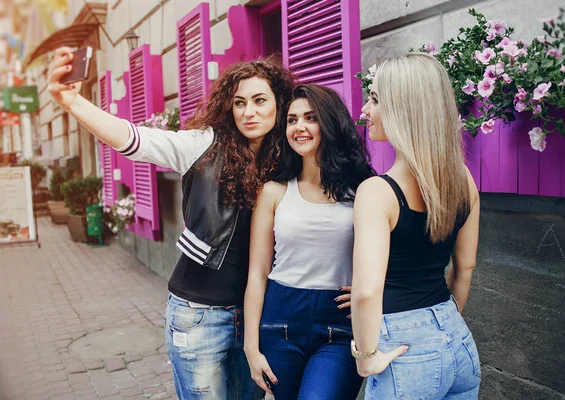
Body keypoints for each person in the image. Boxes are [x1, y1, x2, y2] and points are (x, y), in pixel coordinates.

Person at [47, 47, 295, 400]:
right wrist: (73, 102)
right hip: (199, 314)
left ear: (279, 104)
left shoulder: (289, 161)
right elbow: (134, 140)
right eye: (240, 103)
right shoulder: (203, 144)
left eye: (259, 100)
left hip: (258, 317)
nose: (249, 112)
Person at [350, 53, 481, 399]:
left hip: (403, 352)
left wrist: (365, 358)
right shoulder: (464, 180)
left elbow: (365, 292)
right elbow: (464, 267)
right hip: (457, 338)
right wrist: (440, 328)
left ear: (405, 108)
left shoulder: (377, 192)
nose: (364, 109)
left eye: (375, 99)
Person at [243, 84, 375, 399]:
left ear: (329, 124)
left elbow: (388, 258)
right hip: (280, 321)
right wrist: (251, 347)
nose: (299, 127)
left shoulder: (363, 191)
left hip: (339, 326)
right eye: (291, 120)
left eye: (310, 118)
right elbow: (258, 273)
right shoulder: (273, 191)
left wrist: (365, 289)